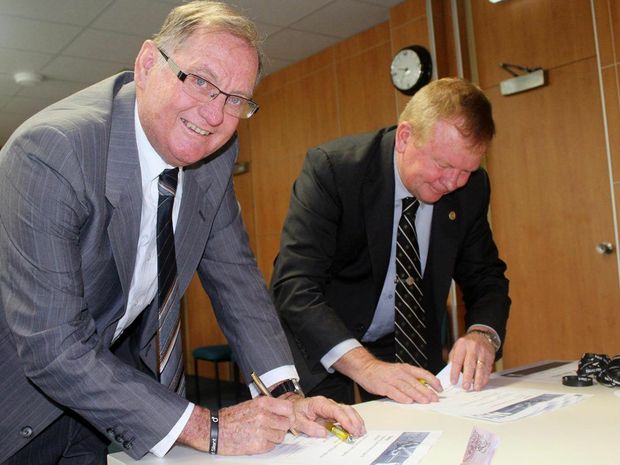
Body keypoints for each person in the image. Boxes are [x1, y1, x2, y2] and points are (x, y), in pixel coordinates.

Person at [0, 2, 364, 463]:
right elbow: (52, 348)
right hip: (15, 400)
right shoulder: (52, 153)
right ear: (149, 63)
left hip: (101, 395)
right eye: (201, 81)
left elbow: (236, 279)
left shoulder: (212, 157)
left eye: (236, 99)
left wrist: (285, 396)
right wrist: (206, 426)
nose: (215, 115)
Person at [270, 78, 511, 405]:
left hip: (405, 340)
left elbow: (485, 276)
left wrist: (483, 334)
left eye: (466, 170)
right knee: (330, 441)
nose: (453, 182)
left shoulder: (471, 188)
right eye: (443, 164)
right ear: (405, 137)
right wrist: (366, 367)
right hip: (320, 340)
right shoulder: (335, 170)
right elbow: (295, 285)